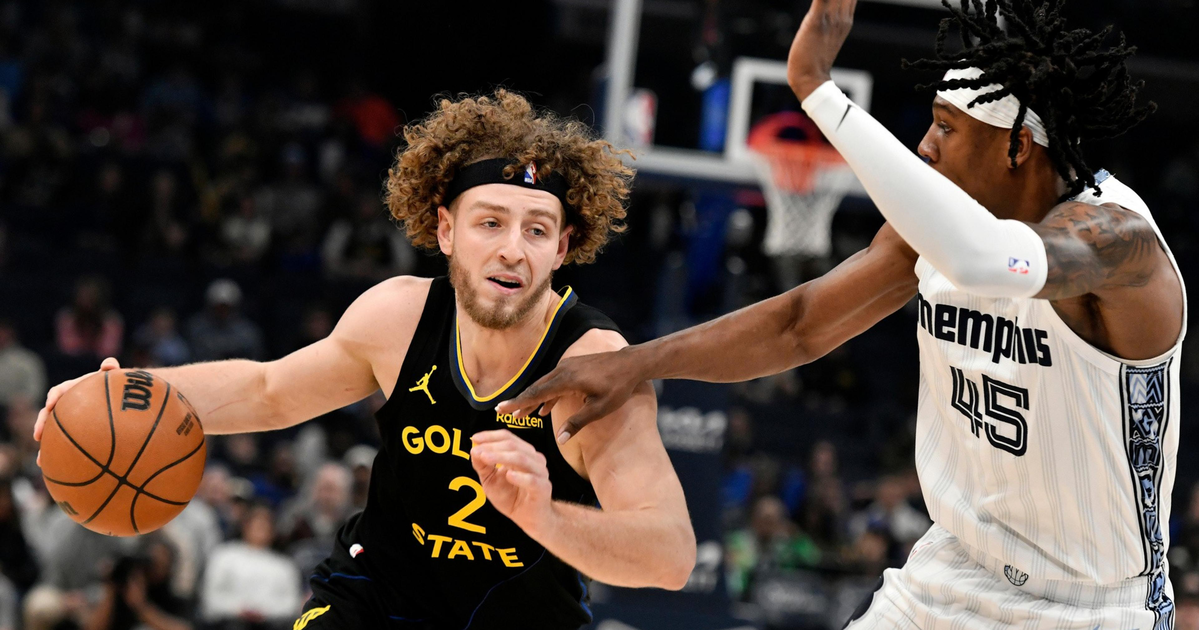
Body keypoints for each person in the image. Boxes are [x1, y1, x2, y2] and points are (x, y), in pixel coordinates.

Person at [500, 1, 1185, 628]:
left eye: (945, 128)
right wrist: (633, 365)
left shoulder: (1116, 245)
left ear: (1015, 147)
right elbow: (800, 323)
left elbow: (985, 260)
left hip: (1087, 607)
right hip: (946, 576)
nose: (925, 147)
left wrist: (818, 91)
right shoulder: (929, 235)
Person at [37, 90, 695, 630]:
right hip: (373, 597)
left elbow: (669, 555)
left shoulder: (593, 369)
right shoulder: (399, 317)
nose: (512, 250)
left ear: (562, 247)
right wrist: (124, 391)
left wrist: (542, 515)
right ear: (444, 229)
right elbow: (268, 391)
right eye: (489, 222)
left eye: (536, 229)